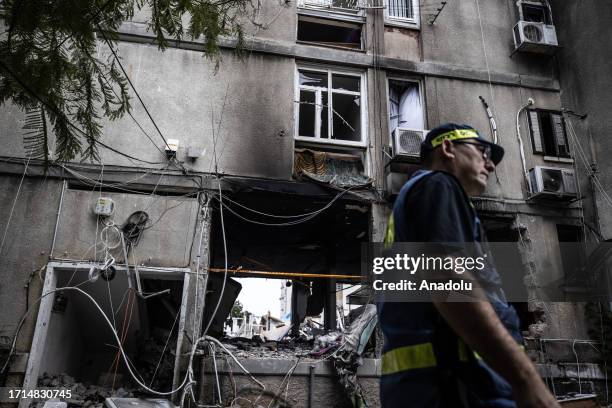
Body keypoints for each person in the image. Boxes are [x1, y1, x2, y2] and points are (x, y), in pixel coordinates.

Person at [378, 123, 559, 407]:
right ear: (448, 148)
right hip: (455, 386)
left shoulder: (421, 199)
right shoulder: (438, 185)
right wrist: (526, 379)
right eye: (483, 151)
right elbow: (449, 280)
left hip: (432, 386)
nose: (491, 164)